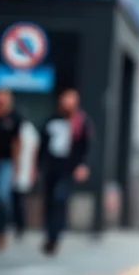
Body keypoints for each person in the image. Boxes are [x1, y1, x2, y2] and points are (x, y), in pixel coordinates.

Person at [37, 88, 94, 256]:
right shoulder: (52, 121)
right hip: (51, 167)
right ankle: (49, 234)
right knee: (49, 201)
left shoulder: (81, 122)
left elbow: (87, 146)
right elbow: (42, 144)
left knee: (59, 198)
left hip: (68, 169)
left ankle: (55, 234)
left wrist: (83, 165)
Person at [0, 88, 24, 252]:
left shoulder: (14, 117)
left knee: (1, 197)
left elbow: (17, 142)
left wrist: (17, 164)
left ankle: (1, 230)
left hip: (5, 162)